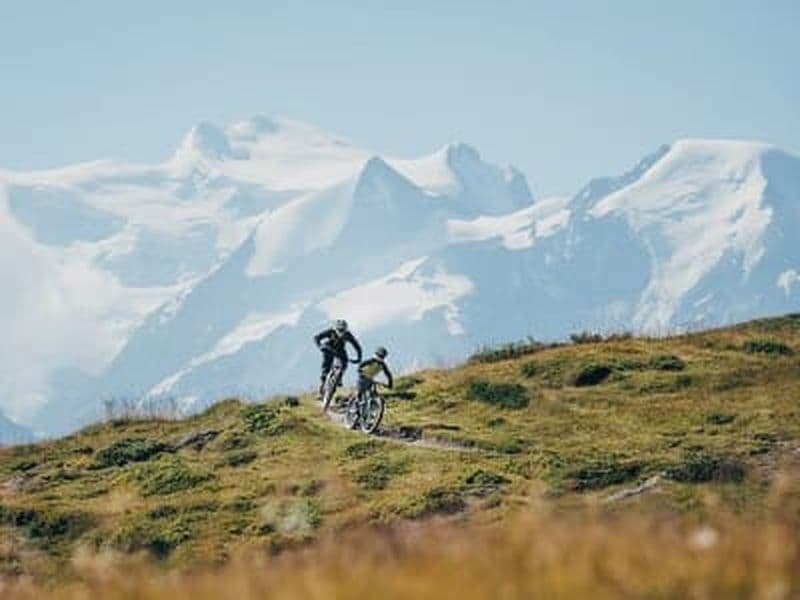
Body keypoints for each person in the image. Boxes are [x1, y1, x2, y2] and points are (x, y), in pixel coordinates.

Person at [314, 319, 362, 397]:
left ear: (346, 329)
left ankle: (339, 378)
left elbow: (357, 346)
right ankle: (321, 388)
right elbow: (317, 337)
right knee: (326, 367)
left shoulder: (348, 334)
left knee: (345, 363)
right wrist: (320, 346)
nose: (341, 332)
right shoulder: (331, 331)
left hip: (340, 350)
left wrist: (359, 357)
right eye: (339, 329)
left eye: (343, 330)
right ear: (336, 328)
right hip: (328, 348)